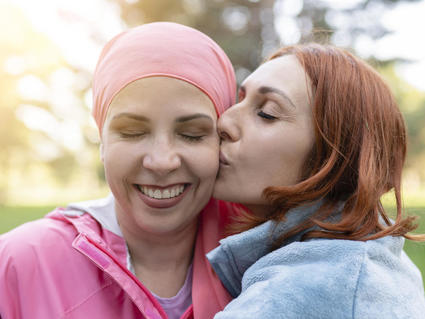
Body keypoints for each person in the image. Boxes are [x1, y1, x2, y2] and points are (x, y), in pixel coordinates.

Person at [0, 22, 236, 319]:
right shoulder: (17, 264)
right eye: (133, 131)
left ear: (222, 140)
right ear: (102, 140)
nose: (161, 162)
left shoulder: (266, 257)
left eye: (192, 134)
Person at [207, 43, 425, 318]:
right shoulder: (373, 258)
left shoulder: (302, 291)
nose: (223, 122)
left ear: (338, 153)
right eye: (238, 101)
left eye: (266, 113)